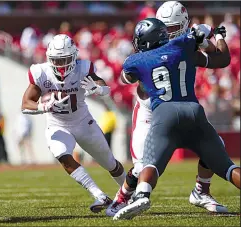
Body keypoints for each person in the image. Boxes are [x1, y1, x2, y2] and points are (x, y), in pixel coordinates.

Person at [106, 1, 231, 216]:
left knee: (215, 146)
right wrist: (211, 35)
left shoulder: (187, 44)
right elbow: (127, 75)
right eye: (163, 27)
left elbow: (217, 57)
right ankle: (122, 197)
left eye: (172, 28)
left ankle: (202, 190)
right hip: (149, 110)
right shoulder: (161, 43)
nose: (166, 33)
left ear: (183, 25)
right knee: (140, 166)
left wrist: (207, 39)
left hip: (177, 106)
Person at [21, 34, 127, 213]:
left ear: (74, 56)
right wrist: (43, 106)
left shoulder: (83, 68)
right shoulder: (41, 72)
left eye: (65, 59)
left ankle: (131, 194)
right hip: (57, 124)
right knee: (62, 155)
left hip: (83, 122)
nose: (61, 65)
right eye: (57, 60)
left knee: (110, 163)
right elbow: (25, 104)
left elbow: (104, 86)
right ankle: (99, 196)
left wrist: (98, 88)